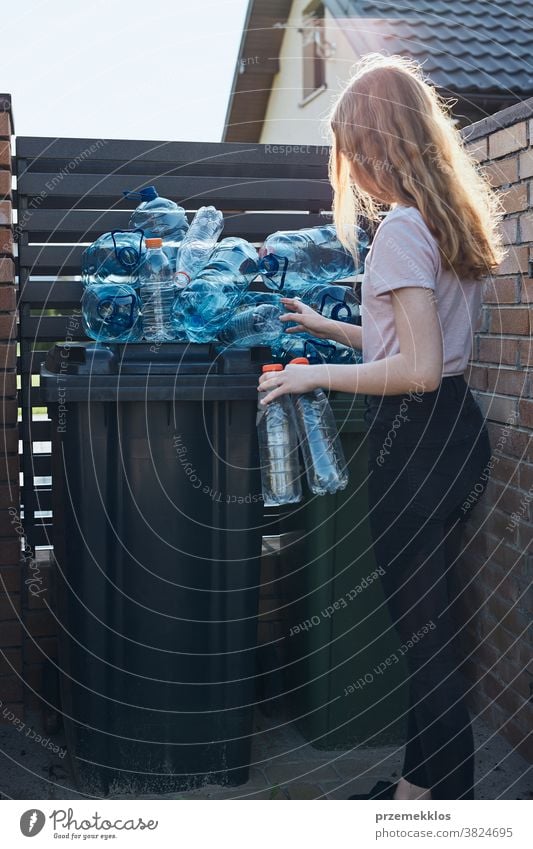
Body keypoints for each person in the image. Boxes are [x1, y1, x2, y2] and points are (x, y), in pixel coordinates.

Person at [258, 53, 503, 801]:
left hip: (416, 434)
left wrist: (309, 374)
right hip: (450, 430)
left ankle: (444, 800)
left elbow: (416, 369)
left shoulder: (399, 230)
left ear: (374, 145)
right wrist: (327, 331)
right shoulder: (445, 217)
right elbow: (414, 347)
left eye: (350, 151)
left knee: (422, 639)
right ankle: (416, 786)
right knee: (427, 629)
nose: (351, 170)